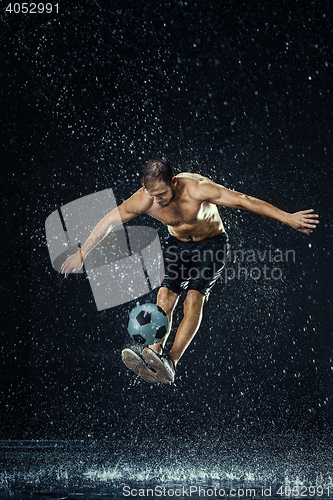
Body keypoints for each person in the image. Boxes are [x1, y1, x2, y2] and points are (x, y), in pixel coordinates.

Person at [61, 158, 319, 384]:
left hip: (212, 244)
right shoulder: (145, 200)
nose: (158, 201)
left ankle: (171, 362)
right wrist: (82, 253)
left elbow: (244, 201)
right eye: (153, 196)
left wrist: (287, 217)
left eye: (161, 194)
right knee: (164, 298)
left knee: (193, 299)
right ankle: (154, 354)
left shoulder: (197, 188)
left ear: (173, 181)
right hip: (178, 246)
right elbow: (108, 222)